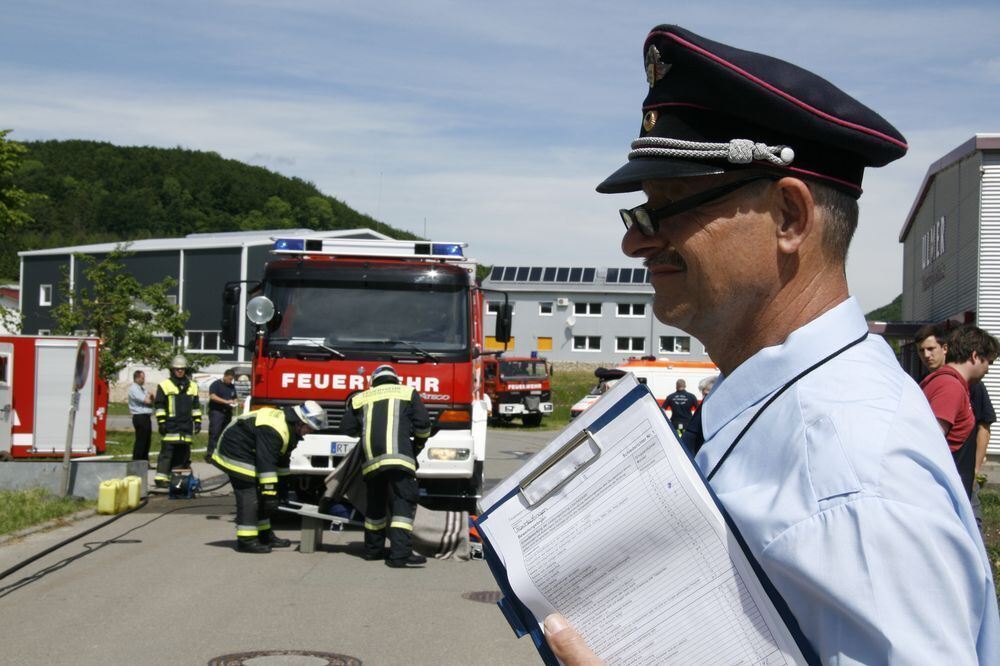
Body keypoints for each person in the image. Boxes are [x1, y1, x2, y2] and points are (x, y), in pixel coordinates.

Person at [544, 24, 998, 665]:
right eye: (636, 214)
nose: (635, 242)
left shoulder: (847, 474)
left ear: (789, 217)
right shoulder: (796, 418)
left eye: (665, 207)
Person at [339, 364, 432, 568]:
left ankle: (373, 551)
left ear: (373, 380)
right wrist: (416, 445)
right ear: (394, 379)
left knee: (375, 508)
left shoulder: (361, 397)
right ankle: (400, 555)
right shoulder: (407, 392)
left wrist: (366, 432)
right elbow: (424, 425)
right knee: (402, 504)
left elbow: (346, 428)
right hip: (401, 460)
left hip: (372, 464)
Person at [212, 400, 326, 553]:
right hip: (236, 450)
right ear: (300, 423)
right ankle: (247, 540)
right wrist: (271, 493)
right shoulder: (274, 429)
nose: (310, 432)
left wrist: (283, 485)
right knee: (249, 493)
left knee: (262, 495)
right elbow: (266, 463)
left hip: (250, 450)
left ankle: (264, 535)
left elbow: (281, 459)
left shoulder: (289, 428)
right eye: (310, 428)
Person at [918, 324, 999, 500]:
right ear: (975, 356)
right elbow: (930, 441)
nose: (988, 369)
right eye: (988, 362)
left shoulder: (953, 384)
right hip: (939, 496)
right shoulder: (950, 387)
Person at [153, 355, 202, 488]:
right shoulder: (165, 385)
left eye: (182, 369)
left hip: (186, 426)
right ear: (172, 370)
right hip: (171, 425)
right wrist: (161, 422)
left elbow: (196, 406)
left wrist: (197, 421)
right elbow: (159, 405)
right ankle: (160, 478)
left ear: (186, 370)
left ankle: (176, 479)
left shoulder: (193, 386)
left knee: (183, 454)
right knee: (167, 453)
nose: (180, 371)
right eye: (177, 369)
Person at [206, 369, 238, 460]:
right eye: (229, 379)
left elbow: (234, 397)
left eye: (231, 379)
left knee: (225, 434)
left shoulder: (231, 386)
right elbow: (212, 396)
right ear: (224, 376)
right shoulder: (216, 384)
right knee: (214, 433)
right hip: (217, 412)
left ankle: (222, 454)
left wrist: (235, 401)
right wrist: (225, 401)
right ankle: (210, 454)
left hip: (227, 412)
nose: (230, 381)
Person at [127, 369, 154, 462]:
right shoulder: (134, 389)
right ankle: (137, 461)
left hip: (146, 416)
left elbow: (151, 398)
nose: (144, 380)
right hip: (139, 416)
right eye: (142, 378)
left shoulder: (142, 388)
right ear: (137, 378)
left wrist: (150, 396)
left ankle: (145, 460)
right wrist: (149, 396)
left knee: (147, 440)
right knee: (141, 440)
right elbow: (147, 400)